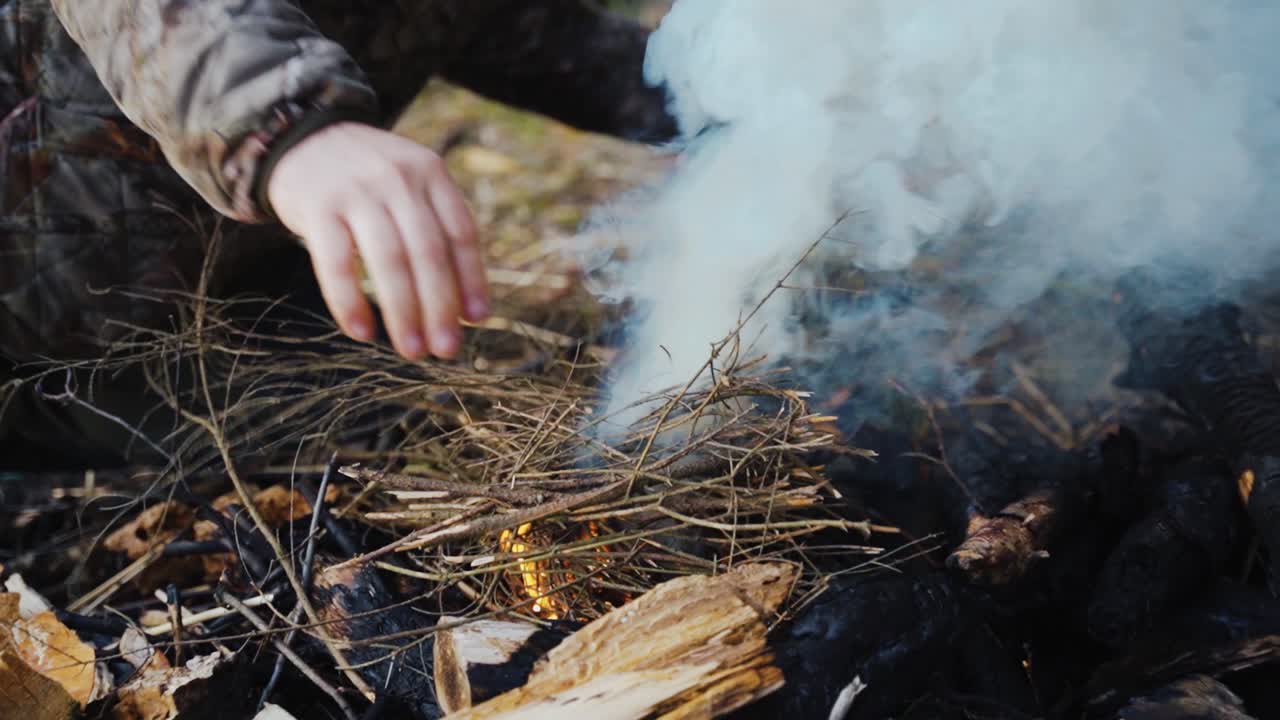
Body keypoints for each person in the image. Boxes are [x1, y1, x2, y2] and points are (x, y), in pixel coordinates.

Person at [0, 1, 676, 467]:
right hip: (49, 327)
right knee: (384, 445)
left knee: (414, 415)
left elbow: (550, 43)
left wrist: (738, 111)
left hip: (220, 285)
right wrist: (284, 124)